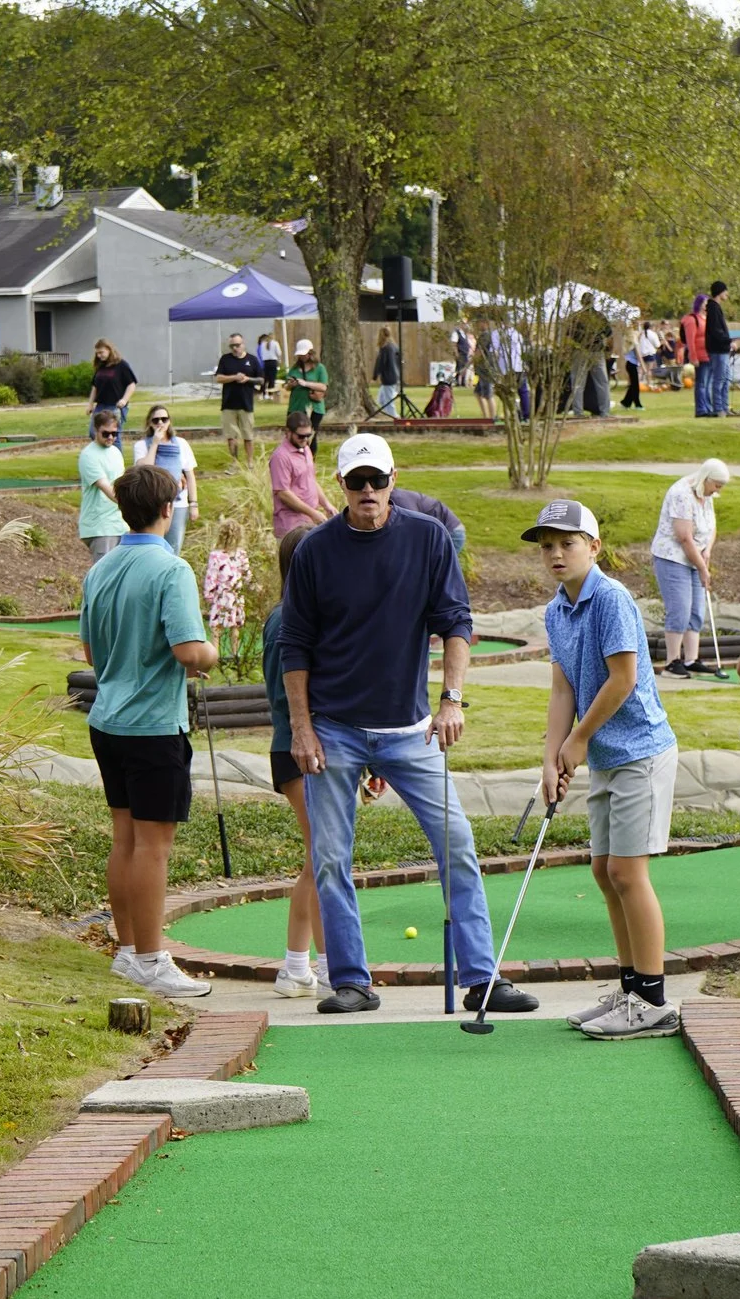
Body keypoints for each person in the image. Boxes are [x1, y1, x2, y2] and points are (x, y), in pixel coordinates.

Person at [281, 432, 536, 1018]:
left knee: (458, 845)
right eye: (356, 482)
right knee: (329, 856)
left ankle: (482, 978)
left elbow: (456, 621)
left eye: (377, 480)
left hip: (410, 728)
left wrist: (452, 700)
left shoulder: (428, 540)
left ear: (394, 480)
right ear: (340, 485)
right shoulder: (316, 551)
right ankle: (351, 981)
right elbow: (295, 645)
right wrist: (301, 726)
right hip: (334, 727)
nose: (368, 491)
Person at [530, 498, 682, 1040]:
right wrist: (553, 757)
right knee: (602, 870)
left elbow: (621, 680)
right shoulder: (556, 609)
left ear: (593, 547)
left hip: (640, 750)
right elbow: (562, 686)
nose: (556, 554)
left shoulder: (611, 599)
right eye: (547, 546)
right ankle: (628, 990)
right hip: (606, 757)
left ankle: (653, 999)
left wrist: (578, 739)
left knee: (625, 872)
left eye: (567, 543)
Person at [81, 463, 217, 1002]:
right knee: (154, 848)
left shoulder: (100, 569)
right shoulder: (171, 570)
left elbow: (91, 653)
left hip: (107, 721)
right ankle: (151, 960)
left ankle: (128, 951)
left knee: (126, 839)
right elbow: (189, 651)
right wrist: (212, 652)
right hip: (153, 726)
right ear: (168, 509)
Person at [262, 527, 330, 997]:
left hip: (314, 752)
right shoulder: (288, 619)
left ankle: (304, 966)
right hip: (297, 750)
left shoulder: (305, 614)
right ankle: (316, 964)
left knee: (321, 856)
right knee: (324, 857)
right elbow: (286, 693)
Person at [650, 459, 728, 679]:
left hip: (696, 557)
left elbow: (711, 527)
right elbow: (684, 537)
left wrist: (707, 552)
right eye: (717, 485)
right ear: (706, 479)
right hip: (673, 558)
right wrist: (703, 568)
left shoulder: (706, 494)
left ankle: (691, 660)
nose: (718, 490)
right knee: (680, 609)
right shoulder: (681, 494)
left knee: (696, 610)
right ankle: (671, 663)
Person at [132, 404, 198, 552]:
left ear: (169, 421)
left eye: (164, 419)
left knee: (174, 546)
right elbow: (145, 468)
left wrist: (193, 503)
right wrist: (155, 443)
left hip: (178, 501)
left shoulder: (181, 443)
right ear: (150, 423)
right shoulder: (142, 445)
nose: (160, 423)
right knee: (154, 545)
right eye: (156, 420)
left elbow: (190, 474)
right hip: (153, 502)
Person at [268, 410, 332, 539]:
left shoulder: (306, 449)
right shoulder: (280, 457)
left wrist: (326, 505)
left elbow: (311, 480)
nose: (306, 439)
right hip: (291, 526)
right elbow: (283, 493)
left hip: (309, 522)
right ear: (288, 432)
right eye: (301, 436)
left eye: (308, 435)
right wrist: (313, 513)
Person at [77, 406, 127, 564]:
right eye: (106, 433)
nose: (111, 437)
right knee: (105, 578)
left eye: (115, 433)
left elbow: (121, 484)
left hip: (120, 524)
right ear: (95, 430)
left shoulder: (116, 453)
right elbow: (108, 489)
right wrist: (133, 504)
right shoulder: (89, 456)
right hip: (100, 526)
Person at [215, 333, 263, 459]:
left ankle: (250, 462)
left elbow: (261, 380)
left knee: (248, 436)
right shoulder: (225, 359)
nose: (235, 348)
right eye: (232, 346)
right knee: (231, 437)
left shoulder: (252, 360)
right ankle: (234, 463)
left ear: (243, 344)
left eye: (237, 345)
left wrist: (247, 379)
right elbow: (218, 378)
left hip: (246, 404)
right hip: (228, 404)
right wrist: (234, 377)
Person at [391, 485, 467, 558]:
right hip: (440, 532)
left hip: (451, 533)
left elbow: (414, 528)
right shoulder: (394, 497)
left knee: (432, 566)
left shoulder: (399, 500)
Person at [701, 283, 733, 416]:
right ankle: (718, 408)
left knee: (726, 379)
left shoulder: (716, 308)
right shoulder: (713, 309)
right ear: (719, 292)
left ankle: (725, 407)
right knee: (719, 380)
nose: (727, 293)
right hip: (718, 350)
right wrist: (728, 340)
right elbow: (715, 331)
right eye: (725, 291)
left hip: (723, 349)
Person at [285, 337, 327, 430]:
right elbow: (287, 386)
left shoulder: (319, 368)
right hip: (295, 406)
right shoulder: (294, 369)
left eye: (304, 354)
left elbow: (323, 387)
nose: (302, 356)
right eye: (300, 354)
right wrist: (291, 384)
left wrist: (306, 383)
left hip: (314, 408)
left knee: (311, 436)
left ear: (310, 353)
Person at [90, 339, 138, 414]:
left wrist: (124, 400)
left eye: (101, 352)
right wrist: (90, 404)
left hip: (116, 407)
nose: (99, 355)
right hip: (100, 406)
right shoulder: (100, 366)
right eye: (97, 353)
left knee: (112, 426)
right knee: (94, 426)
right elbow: (95, 387)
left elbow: (131, 384)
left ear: (109, 350)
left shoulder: (121, 364)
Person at [372, 325, 404, 417]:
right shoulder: (394, 346)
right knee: (381, 400)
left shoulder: (385, 348)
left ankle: (394, 417)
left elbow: (381, 363)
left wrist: (374, 376)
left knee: (389, 401)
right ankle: (388, 415)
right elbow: (400, 361)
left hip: (388, 378)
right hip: (395, 376)